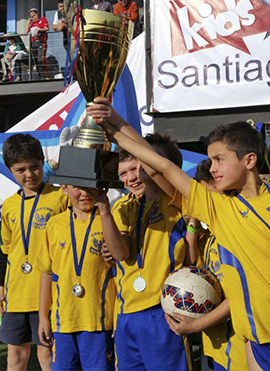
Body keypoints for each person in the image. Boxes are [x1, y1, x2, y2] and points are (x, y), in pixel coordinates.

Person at [87, 99, 270, 371]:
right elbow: (161, 166)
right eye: (210, 160)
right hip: (257, 337)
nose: (213, 167)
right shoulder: (219, 208)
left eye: (219, 159)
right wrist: (115, 125)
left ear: (250, 160)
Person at [107, 133, 193, 371]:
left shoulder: (177, 202)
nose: (133, 177)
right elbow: (121, 254)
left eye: (142, 165)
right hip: (127, 313)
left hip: (163, 312)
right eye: (123, 173)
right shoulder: (123, 207)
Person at [166, 159, 248, 371]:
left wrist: (197, 325)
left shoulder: (237, 232)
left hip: (239, 334)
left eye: (208, 195)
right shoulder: (207, 235)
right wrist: (193, 226)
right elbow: (190, 264)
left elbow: (240, 295)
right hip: (216, 338)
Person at [0, 134, 69, 371]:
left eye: (35, 167)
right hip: (16, 294)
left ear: (43, 162)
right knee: (16, 358)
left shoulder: (61, 197)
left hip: (48, 295)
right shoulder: (8, 206)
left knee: (47, 356)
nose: (29, 175)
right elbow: (7, 251)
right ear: (10, 170)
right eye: (20, 169)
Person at [35, 184, 126, 371]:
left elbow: (121, 272)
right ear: (64, 188)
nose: (85, 193)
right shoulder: (54, 224)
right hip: (63, 321)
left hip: (99, 321)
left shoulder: (110, 221)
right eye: (77, 187)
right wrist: (43, 316)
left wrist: (119, 317)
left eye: (91, 187)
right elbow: (47, 272)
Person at [26, 8, 50, 80]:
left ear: (37, 14)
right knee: (36, 61)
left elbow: (47, 28)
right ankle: (41, 76)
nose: (34, 17)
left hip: (41, 42)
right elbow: (26, 31)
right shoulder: (32, 23)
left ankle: (47, 75)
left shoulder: (42, 19)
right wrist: (29, 23)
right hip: (33, 43)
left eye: (34, 15)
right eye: (32, 16)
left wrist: (39, 29)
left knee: (41, 59)